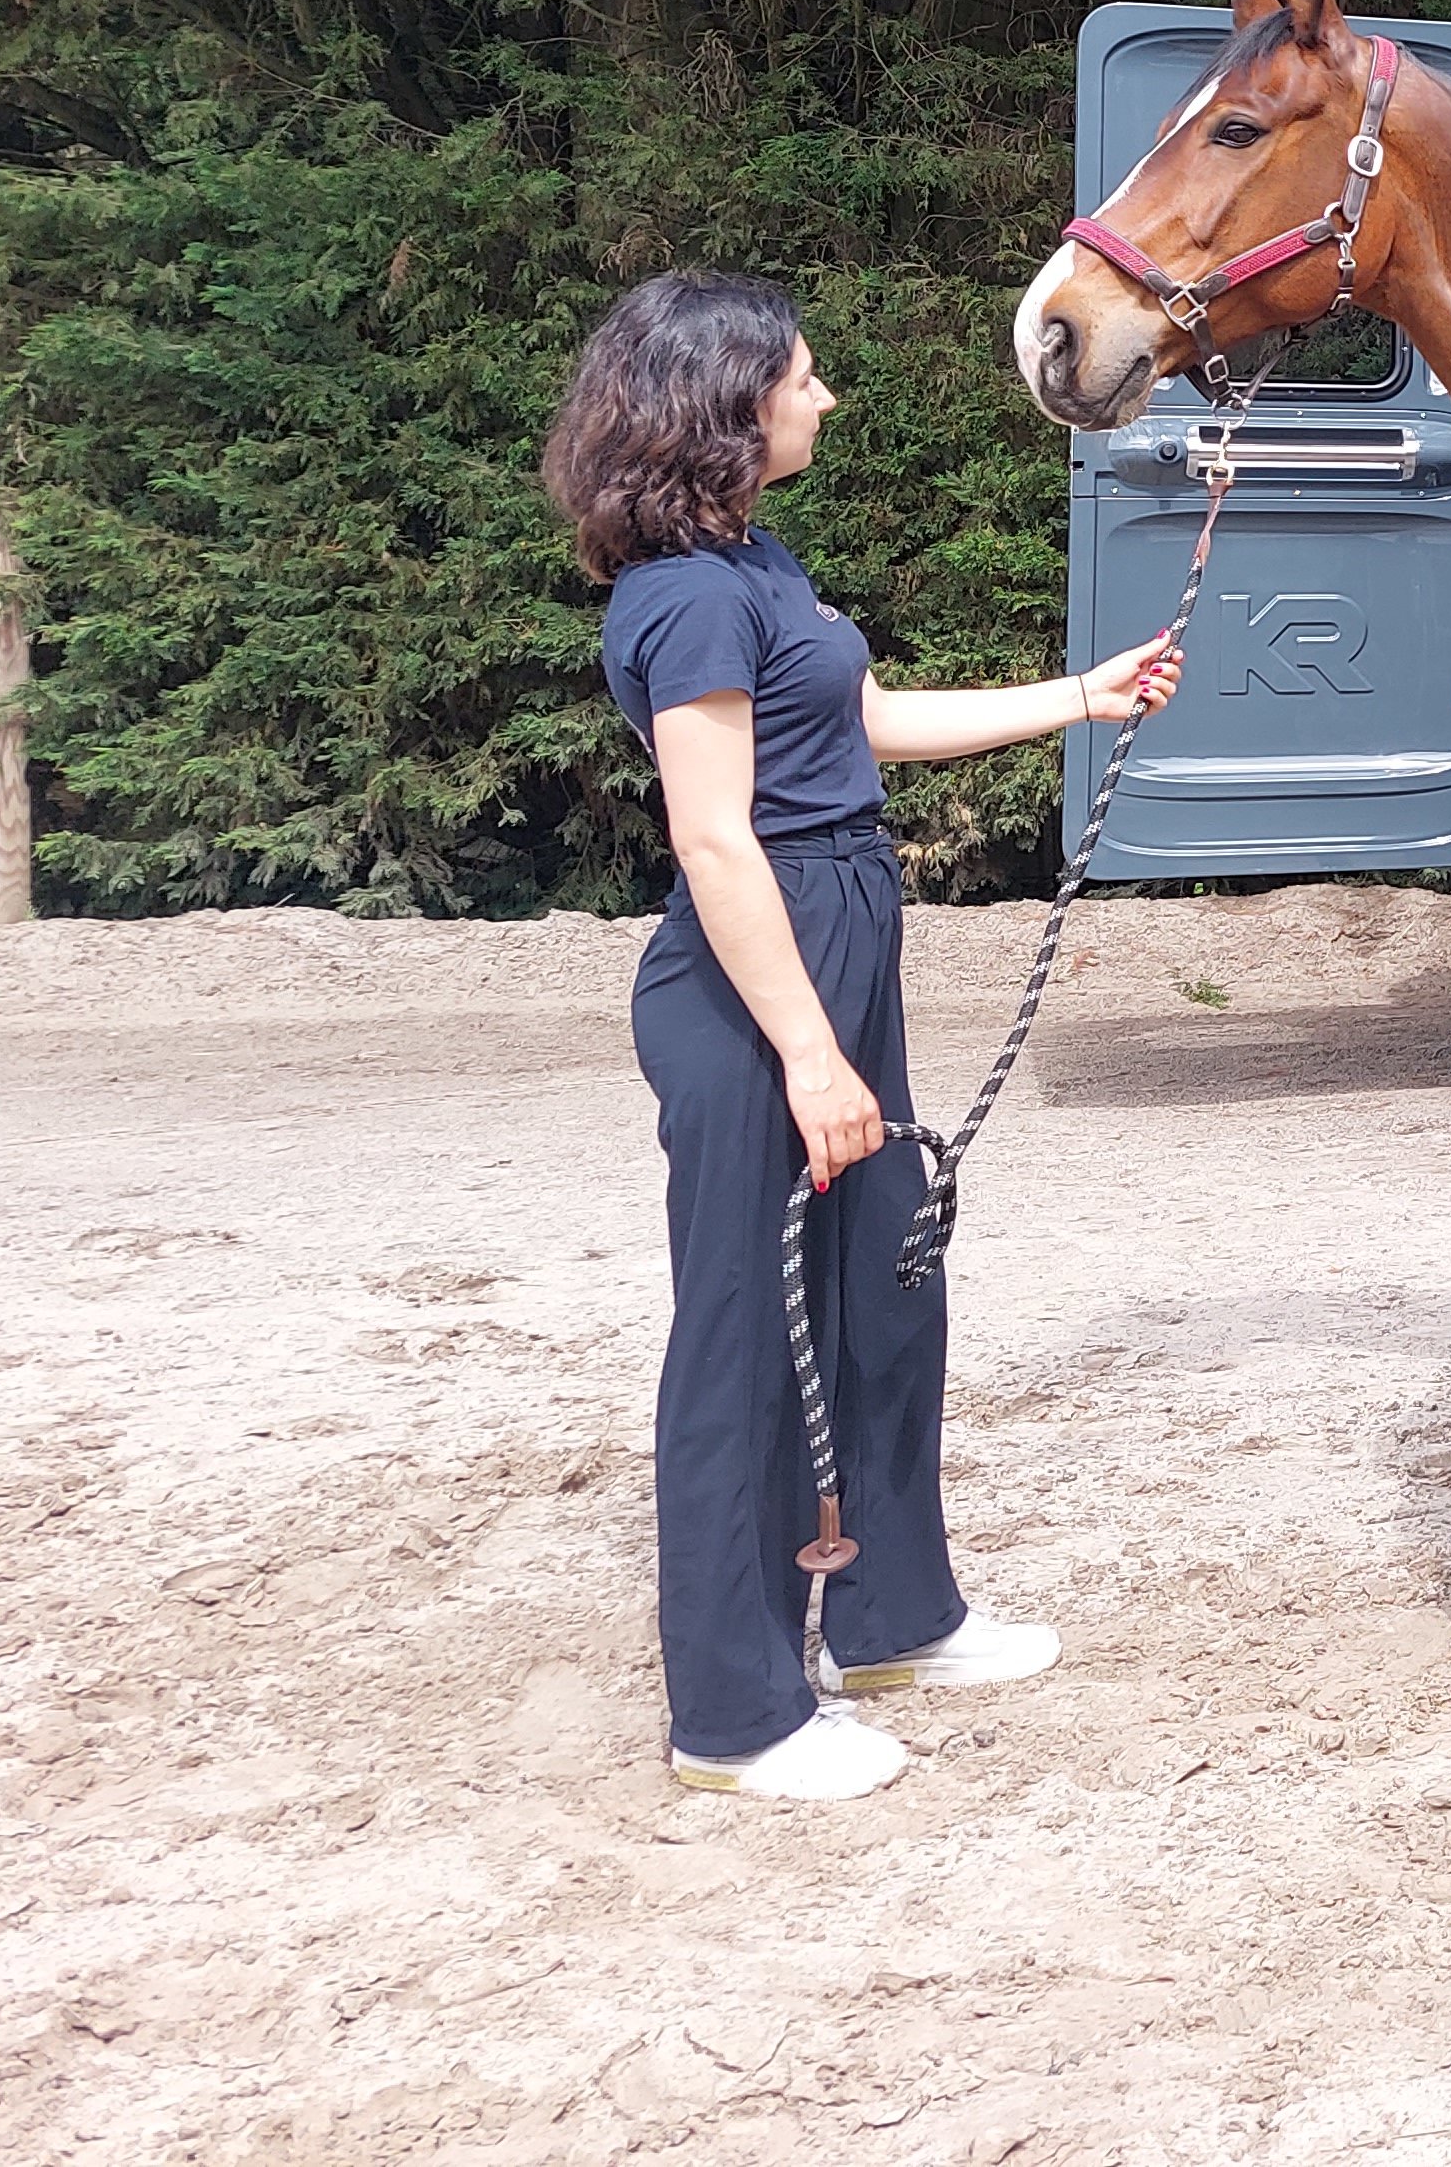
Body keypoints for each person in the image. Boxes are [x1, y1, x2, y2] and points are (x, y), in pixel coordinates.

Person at [541, 271, 1187, 1800]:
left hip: (840, 931)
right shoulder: (687, 594)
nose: (825, 399)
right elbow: (714, 841)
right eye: (804, 379)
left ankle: (892, 1616)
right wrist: (811, 1059)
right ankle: (734, 1714)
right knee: (745, 1341)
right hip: (760, 976)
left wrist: (1078, 700)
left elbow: (863, 722)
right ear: (728, 405)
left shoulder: (751, 561)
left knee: (887, 1293)